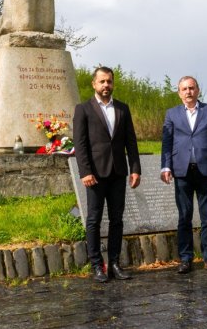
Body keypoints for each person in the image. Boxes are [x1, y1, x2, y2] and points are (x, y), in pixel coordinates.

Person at [74, 66, 141, 283]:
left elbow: (130, 141)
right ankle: (96, 265)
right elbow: (80, 144)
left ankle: (114, 263)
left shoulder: (122, 108)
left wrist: (135, 169)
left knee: (116, 220)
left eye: (109, 82)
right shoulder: (83, 109)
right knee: (93, 220)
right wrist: (85, 171)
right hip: (95, 174)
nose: (106, 85)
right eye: (102, 82)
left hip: (118, 172)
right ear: (94, 84)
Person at [160, 76, 207, 274]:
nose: (188, 92)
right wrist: (165, 167)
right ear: (179, 92)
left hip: (205, 170)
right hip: (182, 171)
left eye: (191, 88)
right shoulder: (171, 114)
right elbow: (167, 143)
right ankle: (186, 259)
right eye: (184, 89)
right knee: (184, 216)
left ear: (198, 90)